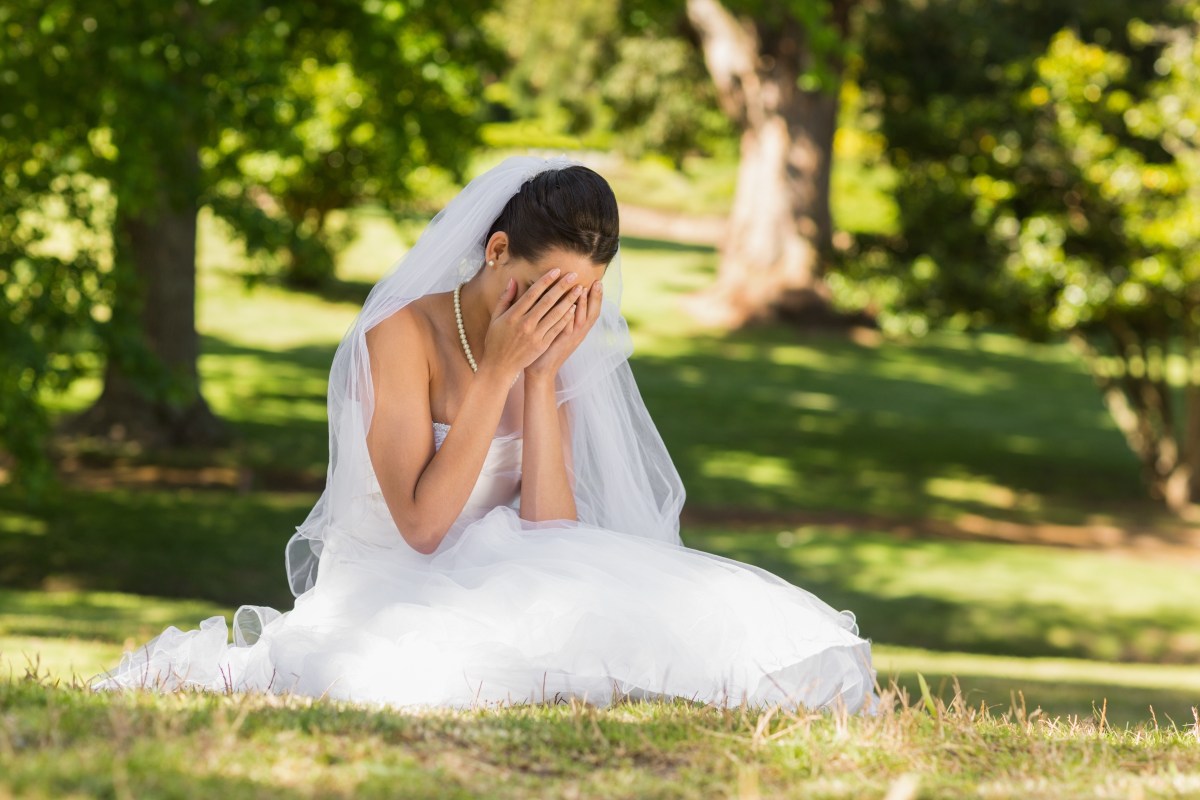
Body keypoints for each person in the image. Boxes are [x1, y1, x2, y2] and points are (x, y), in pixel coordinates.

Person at [90, 155, 879, 713]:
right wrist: (500, 371)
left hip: (507, 569)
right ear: (496, 252)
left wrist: (540, 376)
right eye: (545, 291)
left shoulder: (549, 351)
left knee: (699, 627)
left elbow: (552, 533)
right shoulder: (397, 339)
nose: (560, 315)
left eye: (585, 297)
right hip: (395, 585)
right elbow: (425, 528)